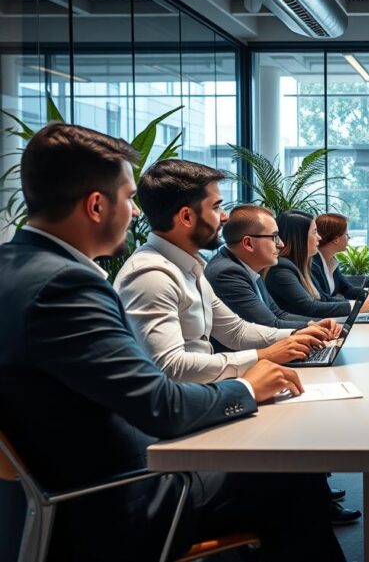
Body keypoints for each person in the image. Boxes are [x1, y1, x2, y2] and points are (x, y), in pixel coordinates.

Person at [0, 123, 346, 561]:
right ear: (95, 205)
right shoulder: (66, 287)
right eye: (128, 199)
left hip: (77, 486)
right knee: (288, 474)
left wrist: (282, 347)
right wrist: (247, 388)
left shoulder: (18, 268)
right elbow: (160, 404)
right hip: (119, 498)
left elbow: (221, 338)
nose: (136, 213)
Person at [115, 160, 335, 384]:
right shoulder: (151, 275)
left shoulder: (189, 267)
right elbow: (171, 367)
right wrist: (264, 355)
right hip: (191, 403)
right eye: (216, 207)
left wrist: (294, 336)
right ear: (187, 217)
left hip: (205, 393)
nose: (225, 217)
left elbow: (235, 331)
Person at [206, 204, 324, 330]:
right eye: (274, 237)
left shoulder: (249, 265)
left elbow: (279, 314)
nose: (281, 244)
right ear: (248, 243)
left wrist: (318, 324)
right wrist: (317, 328)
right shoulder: (227, 274)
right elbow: (269, 325)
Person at [266, 210, 369, 319]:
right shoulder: (281, 270)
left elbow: (323, 298)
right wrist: (356, 306)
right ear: (300, 238)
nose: (319, 237)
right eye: (314, 232)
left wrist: (361, 300)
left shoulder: (303, 264)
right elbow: (308, 307)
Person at [311, 212, 369, 305]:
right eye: (346, 234)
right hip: (318, 318)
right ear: (336, 239)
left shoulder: (331, 261)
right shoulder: (313, 264)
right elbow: (322, 300)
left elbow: (347, 289)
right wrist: (353, 305)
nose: (349, 237)